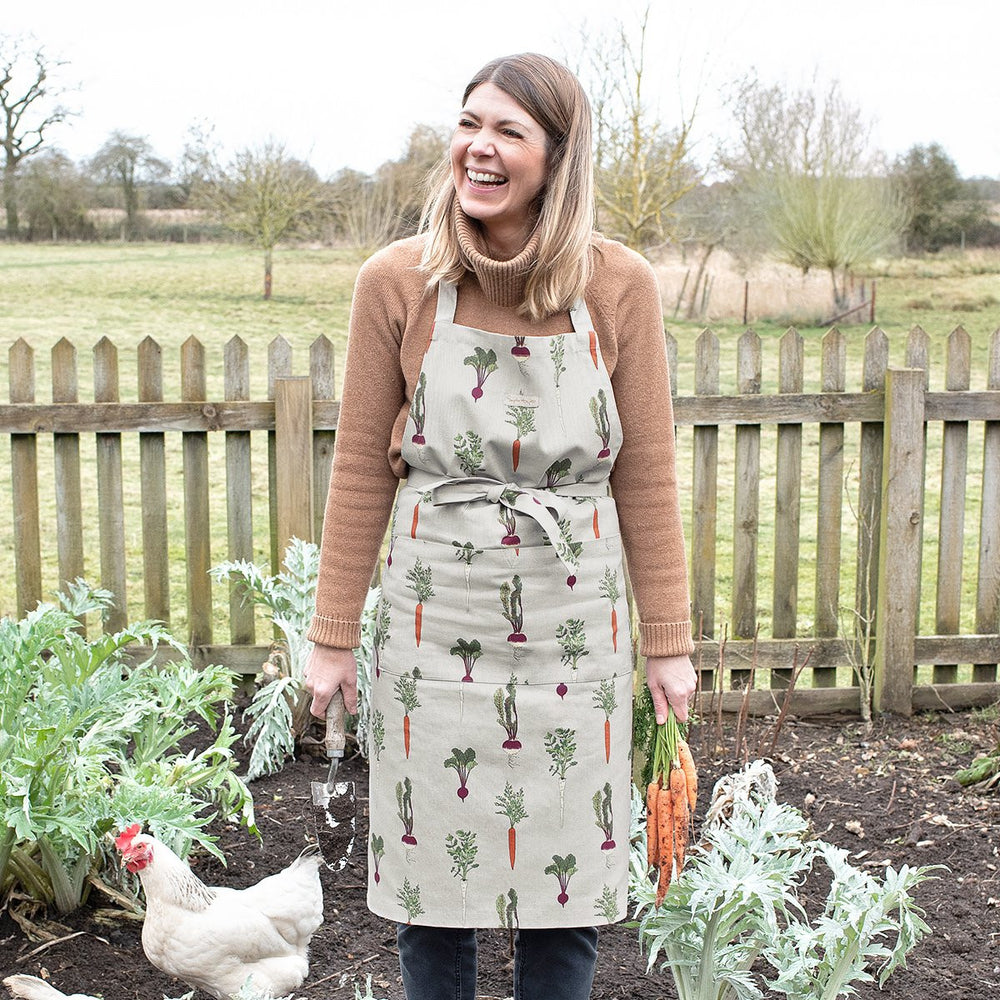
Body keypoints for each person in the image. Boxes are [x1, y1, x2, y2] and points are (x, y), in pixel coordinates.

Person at [305, 52, 696, 1000]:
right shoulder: (395, 282)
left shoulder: (618, 285)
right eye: (469, 123)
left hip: (576, 619)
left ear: (558, 158)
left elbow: (644, 472)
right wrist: (329, 638)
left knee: (569, 894)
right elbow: (361, 464)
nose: (478, 148)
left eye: (508, 131)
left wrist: (668, 645)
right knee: (430, 888)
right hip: (433, 620)